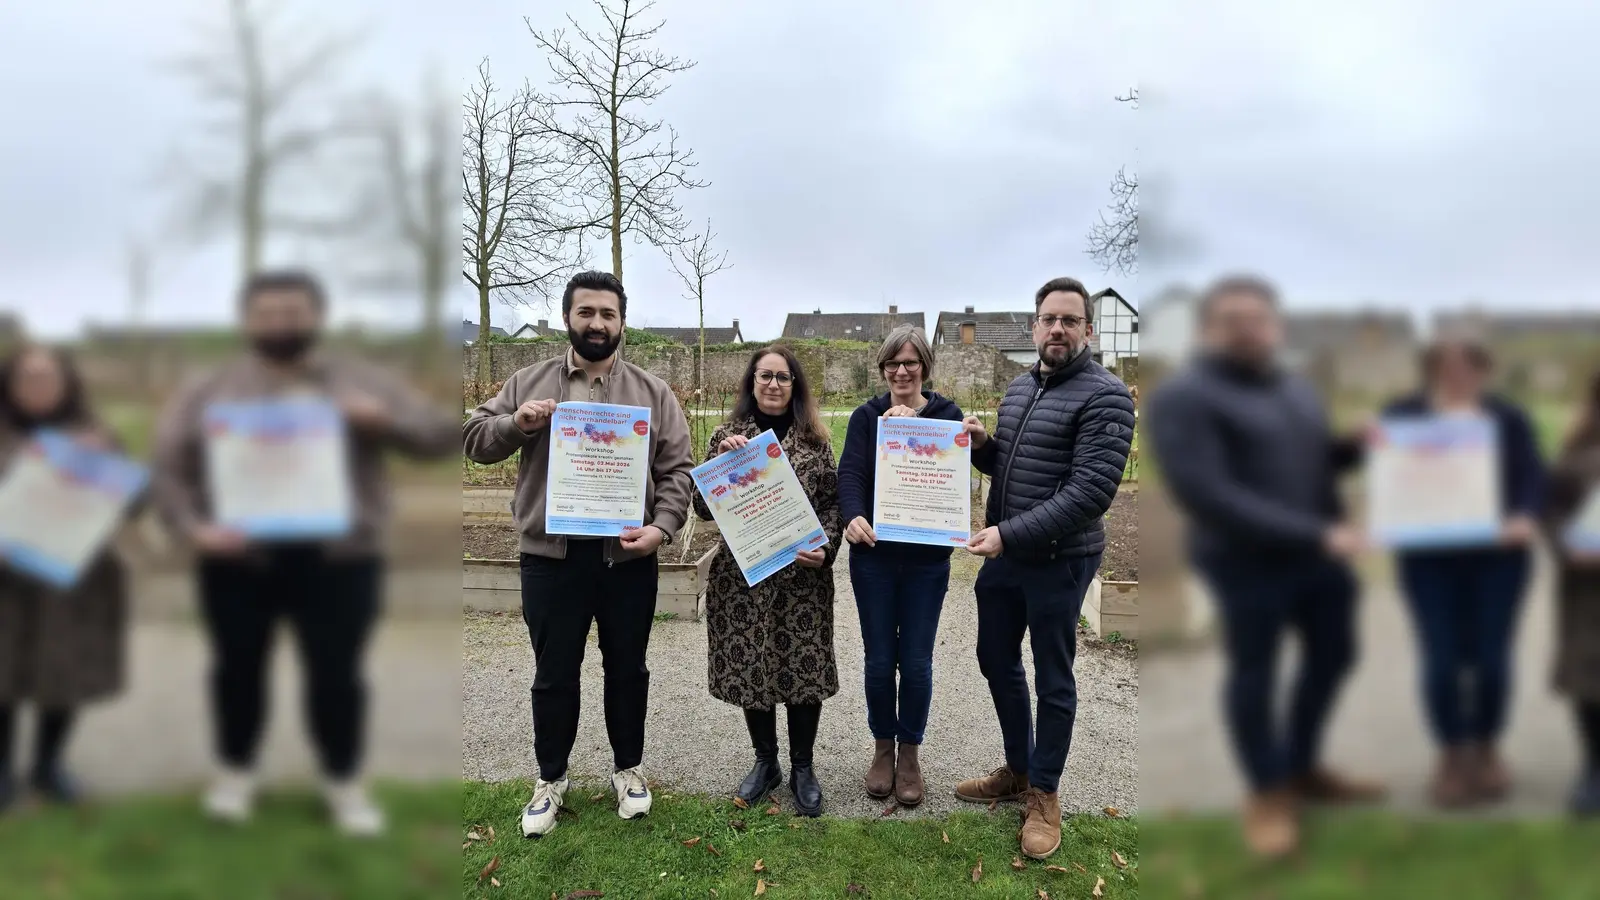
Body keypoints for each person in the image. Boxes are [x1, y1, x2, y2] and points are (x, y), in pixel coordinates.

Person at [151, 270, 459, 836]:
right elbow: (169, 468)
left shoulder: (357, 380)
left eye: (293, 312)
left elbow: (442, 434)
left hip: (339, 560)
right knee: (237, 670)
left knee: (337, 674)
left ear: (315, 316)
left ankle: (343, 783)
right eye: (267, 314)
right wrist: (194, 529)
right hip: (238, 558)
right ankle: (235, 775)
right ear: (247, 320)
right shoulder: (211, 389)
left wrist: (381, 420)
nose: (280, 324)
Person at [1145, 275, 1383, 859]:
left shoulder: (1294, 389)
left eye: (1259, 318)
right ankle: (1268, 793)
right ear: (1209, 329)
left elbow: (1312, 457)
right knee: (1257, 669)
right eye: (1233, 319)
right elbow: (1209, 494)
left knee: (1335, 656)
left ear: (1275, 325)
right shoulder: (1185, 397)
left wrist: (1357, 447)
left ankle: (1299, 767)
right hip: (1246, 561)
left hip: (1318, 557)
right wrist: (1318, 533)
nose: (1250, 329)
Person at [463, 270, 694, 838]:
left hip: (626, 559)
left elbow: (677, 472)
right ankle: (551, 778)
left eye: (608, 314)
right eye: (586, 312)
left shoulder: (652, 392)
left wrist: (662, 529)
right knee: (553, 675)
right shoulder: (528, 380)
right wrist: (517, 423)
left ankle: (628, 770)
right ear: (568, 317)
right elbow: (473, 437)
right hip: (551, 558)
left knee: (628, 670)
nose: (597, 323)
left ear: (621, 322)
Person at [952, 277, 1135, 861]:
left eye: (1069, 320)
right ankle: (1020, 769)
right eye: (1048, 319)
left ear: (1086, 328)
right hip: (1008, 556)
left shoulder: (1106, 396)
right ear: (1034, 327)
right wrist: (983, 446)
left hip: (1058, 560)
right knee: (994, 658)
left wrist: (1007, 534)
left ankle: (1045, 794)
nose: (1057, 329)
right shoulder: (1019, 387)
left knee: (1053, 676)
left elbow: (1088, 492)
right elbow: (1014, 466)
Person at [1383, 336, 1543, 808]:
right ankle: (1452, 753)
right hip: (1429, 561)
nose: (1458, 377)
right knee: (1441, 657)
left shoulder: (1508, 418)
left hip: (1498, 558)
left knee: (1493, 659)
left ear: (1484, 371)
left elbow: (1532, 476)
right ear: (1429, 370)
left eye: (1469, 368)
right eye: (1446, 368)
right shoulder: (1402, 416)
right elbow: (1386, 474)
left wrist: (1525, 515)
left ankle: (1488, 747)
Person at [692, 345, 842, 818]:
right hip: (745, 579)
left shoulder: (816, 440)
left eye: (783, 377)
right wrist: (718, 463)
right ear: (751, 383)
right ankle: (766, 762)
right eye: (764, 376)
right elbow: (700, 508)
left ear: (795, 385)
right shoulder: (727, 436)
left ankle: (802, 767)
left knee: (803, 668)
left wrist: (829, 548)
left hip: (802, 578)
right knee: (752, 667)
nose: (773, 384)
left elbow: (835, 504)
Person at [0, 345, 134, 812]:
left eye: (48, 377)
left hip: (75, 583)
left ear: (67, 383)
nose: (37, 387)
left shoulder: (97, 436)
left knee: (65, 675)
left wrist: (102, 464)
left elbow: (134, 503)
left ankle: (48, 766)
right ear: (9, 385)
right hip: (6, 585)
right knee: (2, 676)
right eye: (26, 378)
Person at [836, 325, 963, 806]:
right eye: (893, 362)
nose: (901, 370)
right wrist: (853, 515)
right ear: (883, 368)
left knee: (915, 660)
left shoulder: (948, 416)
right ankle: (881, 747)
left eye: (911, 362)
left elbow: (951, 475)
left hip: (927, 562)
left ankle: (910, 750)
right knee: (878, 659)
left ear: (925, 366)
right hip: (874, 559)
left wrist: (917, 429)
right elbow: (850, 472)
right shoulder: (866, 417)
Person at [1543, 371, 1600, 817]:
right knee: (1589, 677)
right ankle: (1595, 767)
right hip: (1589, 591)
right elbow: (1552, 512)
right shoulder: (1577, 458)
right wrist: (1567, 546)